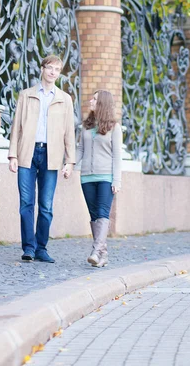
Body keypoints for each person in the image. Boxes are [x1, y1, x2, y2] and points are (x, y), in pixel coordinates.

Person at [8, 54, 76, 263]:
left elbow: (69, 132)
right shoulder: (26, 95)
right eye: (49, 68)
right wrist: (13, 155)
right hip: (27, 154)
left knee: (46, 206)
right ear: (42, 69)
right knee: (26, 204)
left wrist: (70, 161)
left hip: (51, 155)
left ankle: (41, 248)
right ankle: (29, 248)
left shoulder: (64, 99)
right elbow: (16, 127)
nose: (53, 72)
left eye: (57, 69)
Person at [76, 90, 122, 268]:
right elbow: (80, 149)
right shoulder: (86, 126)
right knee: (94, 215)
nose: (90, 101)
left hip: (106, 177)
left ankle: (96, 251)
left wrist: (116, 180)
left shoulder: (114, 127)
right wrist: (70, 164)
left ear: (102, 103)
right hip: (87, 177)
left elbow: (117, 156)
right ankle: (103, 255)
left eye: (94, 99)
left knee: (102, 213)